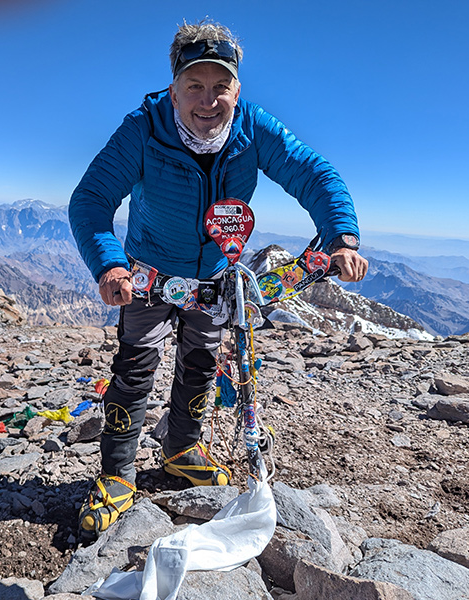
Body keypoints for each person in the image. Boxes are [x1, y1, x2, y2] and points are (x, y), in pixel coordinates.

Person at [68, 20, 368, 537]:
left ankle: (182, 448)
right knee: (136, 367)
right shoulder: (143, 128)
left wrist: (340, 236)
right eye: (194, 86)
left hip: (215, 277)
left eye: (220, 87)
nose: (208, 101)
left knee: (202, 362)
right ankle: (117, 476)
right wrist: (109, 264)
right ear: (174, 86)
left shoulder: (252, 128)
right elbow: (91, 200)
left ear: (237, 89)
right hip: (147, 273)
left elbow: (314, 172)